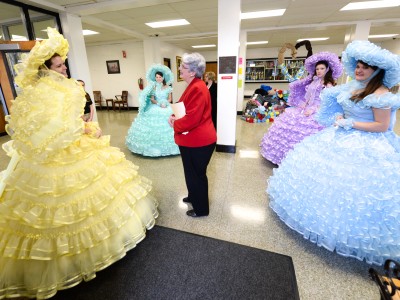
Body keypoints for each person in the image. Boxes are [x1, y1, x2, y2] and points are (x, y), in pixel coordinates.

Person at [0, 28, 158, 299]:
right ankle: (72, 261)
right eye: (59, 65)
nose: (63, 69)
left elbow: (50, 125)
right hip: (59, 153)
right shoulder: (59, 90)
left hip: (54, 150)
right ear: (46, 67)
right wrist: (84, 129)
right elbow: (57, 126)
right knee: (64, 205)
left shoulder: (40, 91)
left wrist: (79, 126)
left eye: (63, 64)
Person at [267, 40, 400, 265]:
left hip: (367, 145)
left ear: (377, 70)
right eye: (357, 66)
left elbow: (382, 126)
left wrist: (351, 124)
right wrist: (336, 117)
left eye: (365, 67)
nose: (359, 70)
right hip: (338, 135)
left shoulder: (380, 94)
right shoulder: (350, 87)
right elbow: (330, 105)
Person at [260, 52, 343, 165]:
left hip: (318, 110)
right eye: (317, 68)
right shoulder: (314, 81)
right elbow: (308, 96)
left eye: (322, 68)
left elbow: (326, 102)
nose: (319, 71)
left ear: (327, 69)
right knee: (289, 123)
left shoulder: (328, 85)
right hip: (305, 108)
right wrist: (303, 104)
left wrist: (313, 110)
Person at [168, 53, 217, 217]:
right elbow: (185, 109)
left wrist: (175, 124)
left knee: (197, 175)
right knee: (191, 172)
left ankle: (201, 209)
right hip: (193, 140)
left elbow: (192, 119)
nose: (180, 68)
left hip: (199, 141)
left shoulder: (197, 87)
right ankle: (193, 196)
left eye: (183, 66)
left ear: (192, 72)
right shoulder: (194, 84)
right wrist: (175, 117)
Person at [125, 64, 179, 157]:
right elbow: (152, 99)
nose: (158, 78)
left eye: (159, 77)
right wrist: (158, 103)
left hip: (166, 106)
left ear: (163, 78)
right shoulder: (153, 88)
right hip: (155, 106)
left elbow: (170, 99)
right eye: (156, 77)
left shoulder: (168, 88)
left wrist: (165, 103)